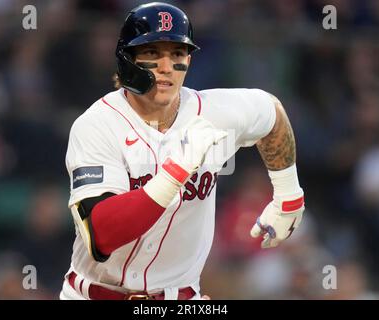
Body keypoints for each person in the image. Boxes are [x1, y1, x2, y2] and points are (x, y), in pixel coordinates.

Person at [60, 2, 305, 300]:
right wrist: (175, 172)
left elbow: (272, 113)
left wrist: (288, 195)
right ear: (127, 59)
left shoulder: (213, 112)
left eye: (176, 53)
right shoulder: (97, 125)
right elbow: (101, 234)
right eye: (152, 53)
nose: (166, 67)